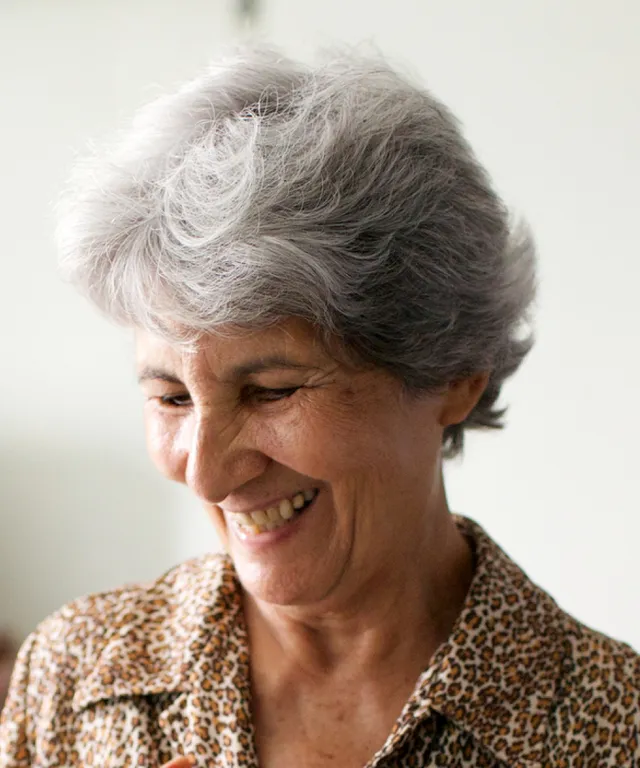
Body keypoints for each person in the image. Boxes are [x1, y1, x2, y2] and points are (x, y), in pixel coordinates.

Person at [1, 46, 638, 768]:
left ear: (455, 372)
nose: (206, 475)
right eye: (171, 396)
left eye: (271, 391)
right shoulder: (74, 678)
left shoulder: (613, 727)